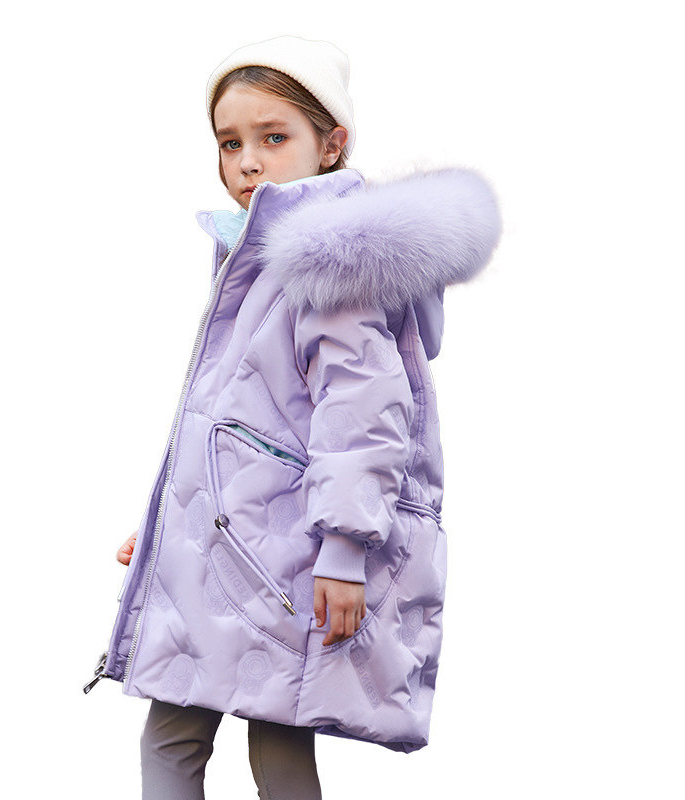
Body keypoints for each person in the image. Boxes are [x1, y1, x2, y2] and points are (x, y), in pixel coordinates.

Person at [85, 34, 502, 799]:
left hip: (279, 563)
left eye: (273, 138)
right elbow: (232, 424)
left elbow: (366, 417)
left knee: (214, 740)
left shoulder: (326, 265)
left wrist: (344, 550)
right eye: (230, 142)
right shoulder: (257, 260)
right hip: (236, 551)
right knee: (239, 739)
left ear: (331, 143)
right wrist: (167, 525)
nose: (247, 162)